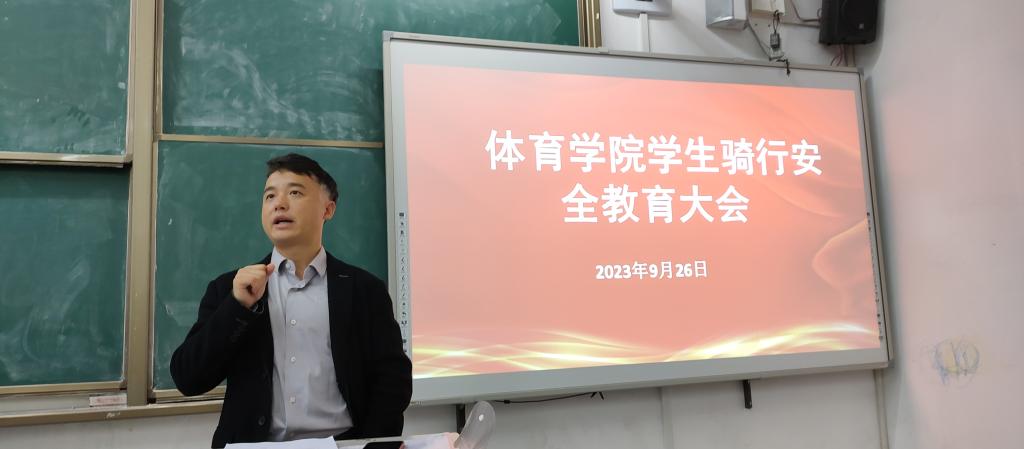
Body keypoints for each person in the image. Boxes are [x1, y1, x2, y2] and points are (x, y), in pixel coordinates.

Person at [171, 153, 411, 448]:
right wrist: (237, 307)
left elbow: (393, 380)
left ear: (328, 209)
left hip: (341, 445)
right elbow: (188, 378)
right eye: (270, 196)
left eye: (295, 193)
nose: (279, 203)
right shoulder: (229, 289)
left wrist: (374, 445)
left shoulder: (364, 290)